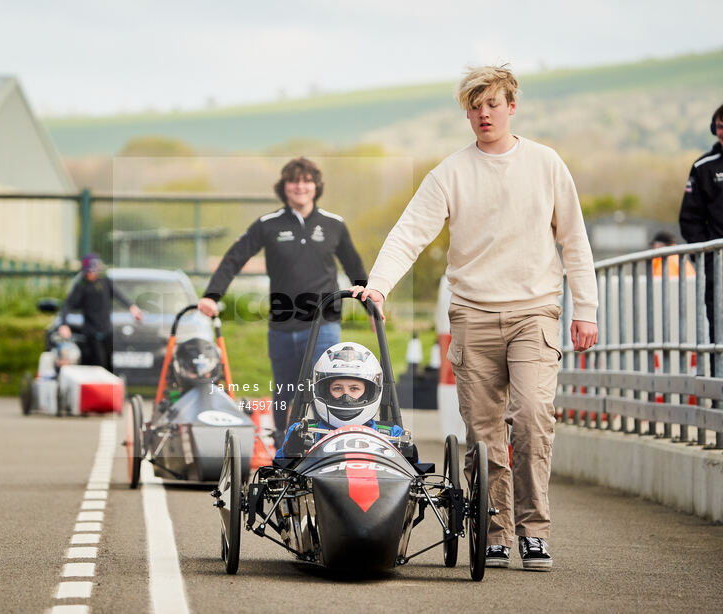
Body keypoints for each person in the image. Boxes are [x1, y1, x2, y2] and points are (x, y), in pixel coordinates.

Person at [351, 65, 598, 571]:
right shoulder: (451, 172)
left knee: (532, 417)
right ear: (467, 112)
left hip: (535, 311)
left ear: (512, 106)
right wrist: (378, 285)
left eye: (493, 103)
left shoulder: (547, 165)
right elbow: (409, 233)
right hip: (472, 316)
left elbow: (575, 239)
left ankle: (534, 531)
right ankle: (496, 531)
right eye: (475, 105)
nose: (484, 113)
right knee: (483, 434)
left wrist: (586, 310)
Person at [198, 158, 368, 443]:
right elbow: (233, 259)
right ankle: (281, 443)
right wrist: (212, 296)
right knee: (285, 390)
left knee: (323, 386)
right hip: (282, 325)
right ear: (284, 187)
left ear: (316, 186)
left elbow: (356, 271)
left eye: (306, 180)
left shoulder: (334, 225)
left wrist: (372, 310)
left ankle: (325, 443)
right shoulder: (268, 224)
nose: (300, 186)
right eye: (294, 181)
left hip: (323, 324)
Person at [276, 342, 402, 458]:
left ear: (369, 392)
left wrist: (409, 453)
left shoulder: (392, 434)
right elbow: (278, 471)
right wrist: (290, 451)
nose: (345, 397)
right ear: (325, 391)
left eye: (354, 389)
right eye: (337, 389)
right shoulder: (303, 432)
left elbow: (415, 475)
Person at [679, 102, 723, 371]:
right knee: (719, 334)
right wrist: (707, 259)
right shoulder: (704, 167)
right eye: (720, 127)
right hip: (718, 270)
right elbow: (689, 220)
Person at [58, 253, 143, 372]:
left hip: (106, 330)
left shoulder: (105, 282)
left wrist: (132, 307)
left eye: (92, 271)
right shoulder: (81, 286)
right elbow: (67, 305)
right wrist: (64, 324)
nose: (90, 274)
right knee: (99, 363)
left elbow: (118, 295)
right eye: (88, 272)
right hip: (92, 332)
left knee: (109, 364)